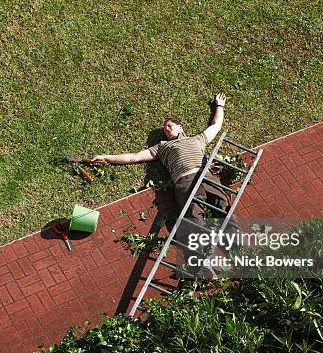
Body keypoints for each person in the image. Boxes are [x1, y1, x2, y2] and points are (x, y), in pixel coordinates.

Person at [93, 93, 233, 276]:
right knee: (196, 220)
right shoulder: (162, 147)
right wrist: (106, 157)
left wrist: (219, 106)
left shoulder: (198, 139)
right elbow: (134, 157)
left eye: (169, 125)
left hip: (206, 176)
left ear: (181, 126)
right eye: (164, 129)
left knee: (225, 209)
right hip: (185, 182)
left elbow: (216, 125)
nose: (166, 129)